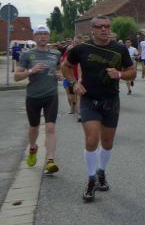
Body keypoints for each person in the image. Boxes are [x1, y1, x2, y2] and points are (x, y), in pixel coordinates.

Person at [61, 15, 135, 202]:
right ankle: (91, 179)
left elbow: (132, 71)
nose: (104, 29)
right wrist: (74, 83)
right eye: (100, 26)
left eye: (107, 26)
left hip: (111, 101)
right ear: (92, 29)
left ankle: (101, 172)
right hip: (89, 99)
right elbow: (66, 67)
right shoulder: (81, 49)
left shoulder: (120, 49)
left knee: (107, 142)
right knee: (92, 139)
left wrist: (119, 74)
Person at [14, 25, 61, 174]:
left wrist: (59, 75)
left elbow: (59, 70)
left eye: (45, 33)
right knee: (34, 127)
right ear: (34, 37)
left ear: (49, 36)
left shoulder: (56, 53)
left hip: (51, 95)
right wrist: (31, 71)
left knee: (50, 128)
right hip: (33, 96)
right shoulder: (27, 55)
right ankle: (33, 147)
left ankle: (50, 161)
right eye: (40, 34)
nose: (43, 36)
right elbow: (16, 77)